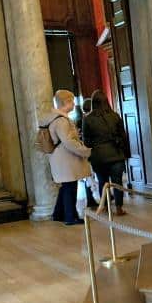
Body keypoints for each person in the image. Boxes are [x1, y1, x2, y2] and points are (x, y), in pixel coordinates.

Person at [39, 89, 92, 225]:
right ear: (66, 102)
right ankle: (70, 217)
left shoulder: (53, 118)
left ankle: (58, 214)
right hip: (66, 159)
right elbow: (68, 142)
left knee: (66, 186)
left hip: (59, 158)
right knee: (70, 187)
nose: (74, 104)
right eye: (72, 101)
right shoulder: (61, 121)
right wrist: (85, 150)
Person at [82, 90, 129, 216]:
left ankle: (107, 207)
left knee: (103, 182)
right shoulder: (115, 116)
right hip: (116, 153)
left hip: (98, 156)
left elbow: (86, 140)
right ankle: (119, 208)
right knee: (117, 182)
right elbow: (123, 136)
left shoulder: (88, 119)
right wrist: (125, 153)